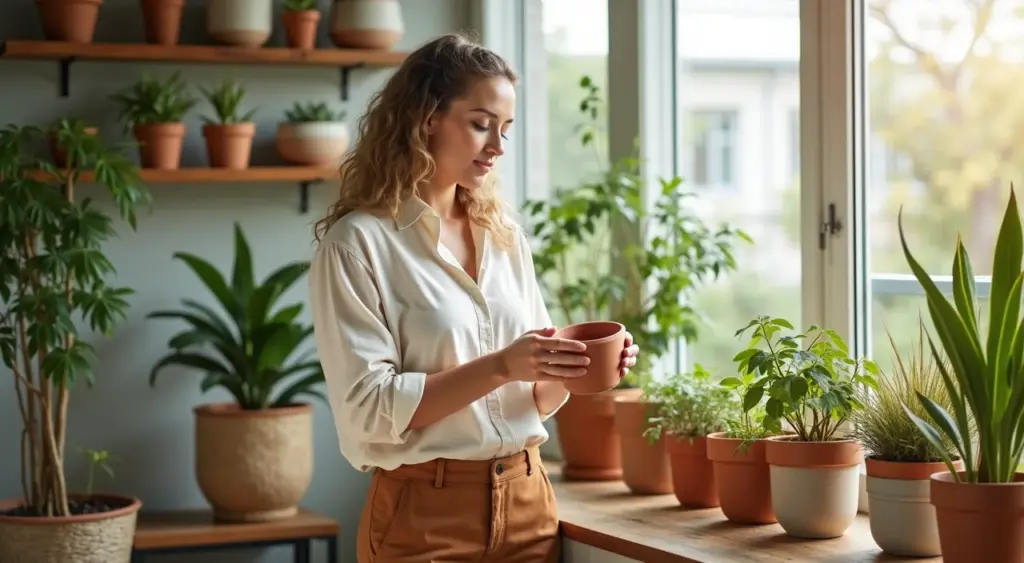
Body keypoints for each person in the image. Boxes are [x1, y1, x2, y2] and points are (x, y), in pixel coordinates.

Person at [308, 32, 640, 563]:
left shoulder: (504, 233)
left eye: (505, 129)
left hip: (530, 505)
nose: (498, 147)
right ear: (425, 118)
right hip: (422, 519)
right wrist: (503, 365)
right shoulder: (358, 244)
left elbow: (530, 399)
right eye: (481, 124)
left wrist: (570, 369)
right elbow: (368, 412)